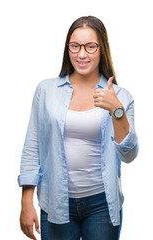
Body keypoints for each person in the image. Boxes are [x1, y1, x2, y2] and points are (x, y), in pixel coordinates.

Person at [18, 16, 138, 240]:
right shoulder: (46, 90)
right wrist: (26, 201)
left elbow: (129, 155)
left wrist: (117, 112)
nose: (82, 54)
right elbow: (32, 146)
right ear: (68, 49)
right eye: (75, 46)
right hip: (56, 201)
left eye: (90, 46)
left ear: (102, 48)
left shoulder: (121, 96)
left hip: (101, 203)